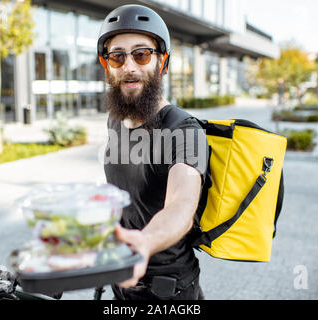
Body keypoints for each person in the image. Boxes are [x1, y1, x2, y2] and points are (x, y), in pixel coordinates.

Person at [97, 5, 210, 300]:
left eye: (142, 54)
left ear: (162, 63)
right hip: (122, 279)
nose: (129, 66)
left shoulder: (184, 130)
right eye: (117, 56)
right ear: (106, 64)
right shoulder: (116, 120)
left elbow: (181, 206)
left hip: (166, 290)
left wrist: (144, 242)